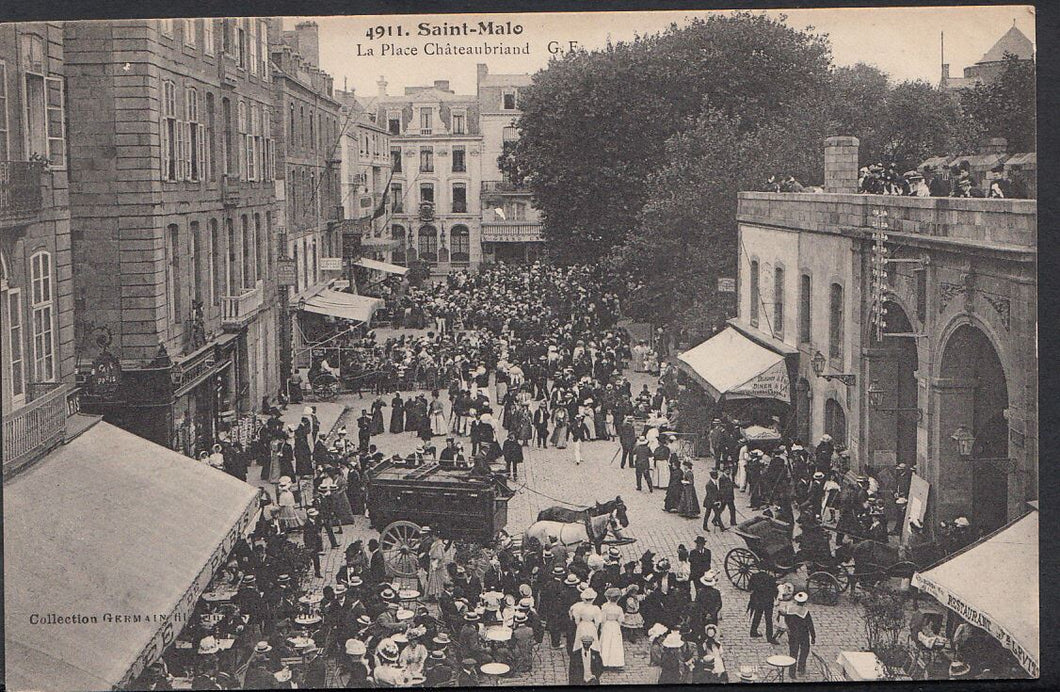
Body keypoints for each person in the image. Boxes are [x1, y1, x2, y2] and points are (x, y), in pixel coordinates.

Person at [783, 592, 816, 678]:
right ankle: (801, 668)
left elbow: (786, 619)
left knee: (793, 653)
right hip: (803, 634)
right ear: (804, 602)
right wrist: (813, 636)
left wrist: (789, 628)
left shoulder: (790, 609)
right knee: (804, 651)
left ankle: (792, 672)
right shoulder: (805, 612)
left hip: (793, 634)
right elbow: (810, 625)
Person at [747, 570, 778, 642]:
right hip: (768, 601)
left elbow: (749, 588)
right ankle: (769, 637)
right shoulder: (770, 578)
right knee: (768, 619)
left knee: (757, 615)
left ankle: (753, 631)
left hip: (758, 600)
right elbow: (775, 591)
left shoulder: (755, 576)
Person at [599, 587, 625, 668]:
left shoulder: (605, 607)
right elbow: (621, 619)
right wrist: (618, 625)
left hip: (607, 625)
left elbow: (603, 619)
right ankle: (615, 662)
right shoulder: (619, 609)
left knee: (606, 643)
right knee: (615, 643)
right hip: (615, 625)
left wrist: (601, 628)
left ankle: (605, 661)